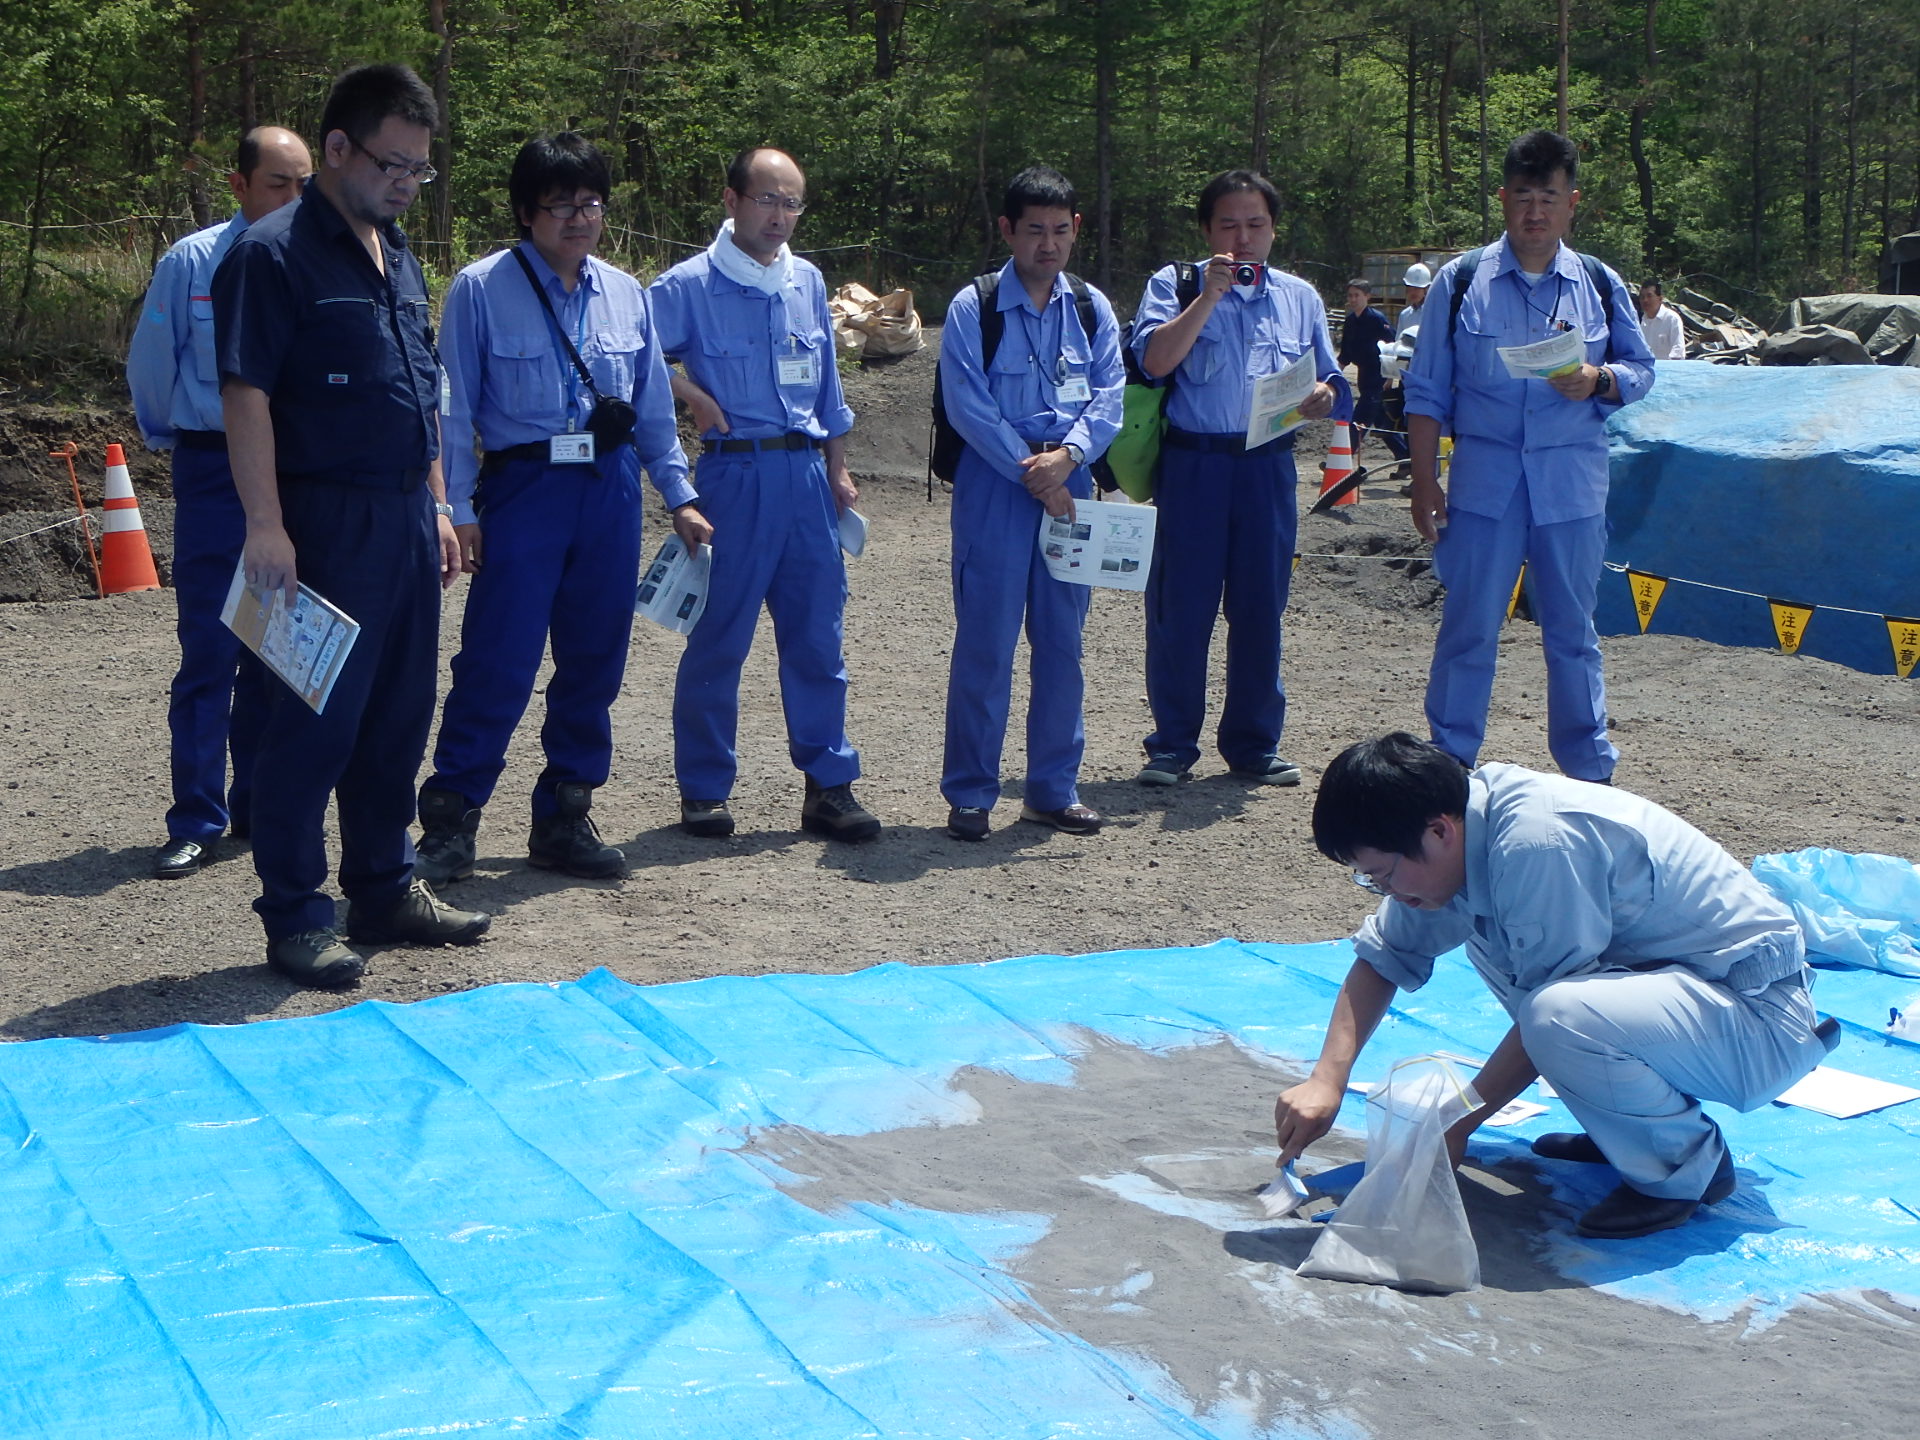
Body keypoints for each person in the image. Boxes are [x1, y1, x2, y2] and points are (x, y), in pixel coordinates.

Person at [1275, 733, 1829, 1239]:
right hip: (1693, 1003)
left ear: (1438, 831)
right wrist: (1327, 1080)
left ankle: (1683, 1172)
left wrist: (1455, 1122)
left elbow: (1551, 1020)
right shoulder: (1458, 837)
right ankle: (1631, 1135)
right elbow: (1383, 958)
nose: (1385, 890)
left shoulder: (1536, 844)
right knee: (1516, 968)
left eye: (1383, 874)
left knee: (1557, 1013)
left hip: (1759, 1021)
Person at [213, 63, 489, 987]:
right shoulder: (273, 253)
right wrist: (266, 525)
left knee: (398, 715)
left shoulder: (398, 251)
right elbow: (246, 393)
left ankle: (382, 886)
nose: (407, 183)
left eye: (420, 169)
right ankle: (295, 914)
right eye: (393, 165)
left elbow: (422, 389)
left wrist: (441, 502)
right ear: (337, 148)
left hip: (406, 516)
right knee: (310, 724)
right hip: (319, 520)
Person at [411, 135, 706, 886]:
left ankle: (566, 813)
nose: (580, 218)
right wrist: (459, 505)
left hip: (607, 492)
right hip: (523, 493)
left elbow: (649, 412)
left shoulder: (626, 292)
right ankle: (451, 819)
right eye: (561, 205)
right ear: (524, 212)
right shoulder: (480, 289)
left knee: (594, 658)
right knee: (497, 660)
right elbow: (451, 409)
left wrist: (680, 495)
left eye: (591, 202)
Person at [1404, 129, 1655, 784]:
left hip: (1571, 485)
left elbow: (1642, 369)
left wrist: (1598, 380)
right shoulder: (1460, 283)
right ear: (1503, 199)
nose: (1535, 210)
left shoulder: (1598, 282)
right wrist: (1425, 480)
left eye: (1549, 196)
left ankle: (1589, 770)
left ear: (1573, 203)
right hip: (1484, 485)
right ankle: (1449, 764)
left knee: (1572, 634)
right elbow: (1426, 390)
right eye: (1523, 195)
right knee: (1468, 629)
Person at [648, 146, 877, 843]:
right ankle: (705, 789)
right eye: (768, 199)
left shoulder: (807, 279)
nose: (780, 215)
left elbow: (829, 388)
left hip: (806, 476)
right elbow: (627, 361)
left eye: (792, 202)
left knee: (818, 636)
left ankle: (829, 786)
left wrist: (838, 469)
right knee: (720, 636)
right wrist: (689, 393)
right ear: (732, 201)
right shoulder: (686, 286)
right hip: (734, 477)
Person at [129, 126, 312, 880]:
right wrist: (181, 444)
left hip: (298, 477)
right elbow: (151, 366)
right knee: (210, 651)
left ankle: (258, 801)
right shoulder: (193, 262)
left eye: (304, 183)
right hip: (211, 472)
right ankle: (196, 817)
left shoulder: (322, 256)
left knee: (279, 651)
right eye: (278, 184)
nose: (293, 200)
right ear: (238, 185)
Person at [1129, 170, 1342, 789]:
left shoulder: (1300, 296)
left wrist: (1325, 395)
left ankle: (1252, 745)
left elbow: (1331, 378)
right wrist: (1208, 298)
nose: (1243, 238)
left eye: (1256, 225)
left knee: (1260, 608)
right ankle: (1171, 745)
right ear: (1207, 230)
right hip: (1193, 464)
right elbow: (1152, 361)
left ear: (1274, 230)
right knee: (1180, 608)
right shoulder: (1176, 284)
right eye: (1230, 225)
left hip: (1268, 468)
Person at [935, 166, 1125, 843]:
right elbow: (967, 403)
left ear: (1075, 231)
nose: (1049, 244)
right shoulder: (974, 306)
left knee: (1062, 645)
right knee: (986, 643)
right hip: (998, 485)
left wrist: (1067, 460)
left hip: (1068, 486)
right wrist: (1031, 468)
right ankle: (971, 794)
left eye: (1061, 230)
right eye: (1034, 230)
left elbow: (1111, 394)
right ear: (1008, 231)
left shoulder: (1091, 306)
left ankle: (1051, 789)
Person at [1338, 278, 1404, 463]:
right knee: (1382, 423)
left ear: (1367, 296)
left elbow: (1393, 347)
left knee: (1360, 418)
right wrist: (1334, 375)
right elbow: (1345, 353)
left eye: (1357, 295)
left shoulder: (1377, 319)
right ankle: (1404, 456)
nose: (1353, 299)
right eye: (1350, 295)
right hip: (1363, 374)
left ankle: (1343, 457)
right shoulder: (1350, 321)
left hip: (1379, 375)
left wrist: (1391, 376)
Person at [1378, 261, 1430, 478]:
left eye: (1417, 288)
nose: (1412, 292)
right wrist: (1391, 376)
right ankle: (1408, 463)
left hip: (1426, 376)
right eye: (1410, 287)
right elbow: (1399, 344)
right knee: (1399, 421)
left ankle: (1421, 473)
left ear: (1426, 289)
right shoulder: (1405, 315)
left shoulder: (1434, 313)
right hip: (1407, 375)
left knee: (1420, 425)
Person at [1638, 279, 1686, 360]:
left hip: (1667, 370)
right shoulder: (1642, 322)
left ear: (1660, 299)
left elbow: (1678, 352)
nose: (1645, 300)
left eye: (1649, 296)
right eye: (1642, 297)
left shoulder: (1672, 319)